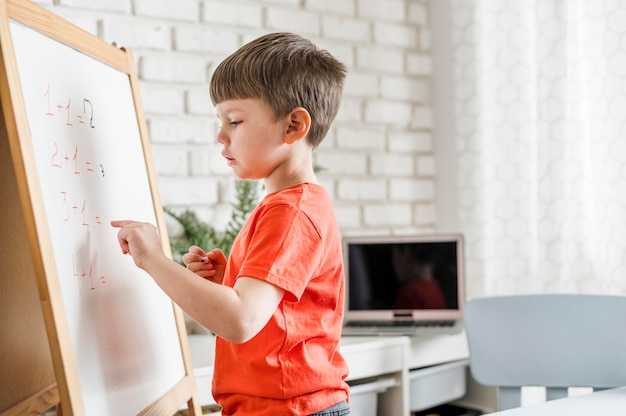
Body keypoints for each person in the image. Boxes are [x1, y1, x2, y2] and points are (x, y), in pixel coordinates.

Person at [111, 32, 350, 416]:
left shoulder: (292, 211)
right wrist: (230, 281)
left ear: (293, 126)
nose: (220, 136)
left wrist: (154, 259)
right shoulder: (287, 205)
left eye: (235, 121)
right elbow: (268, 314)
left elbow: (239, 320)